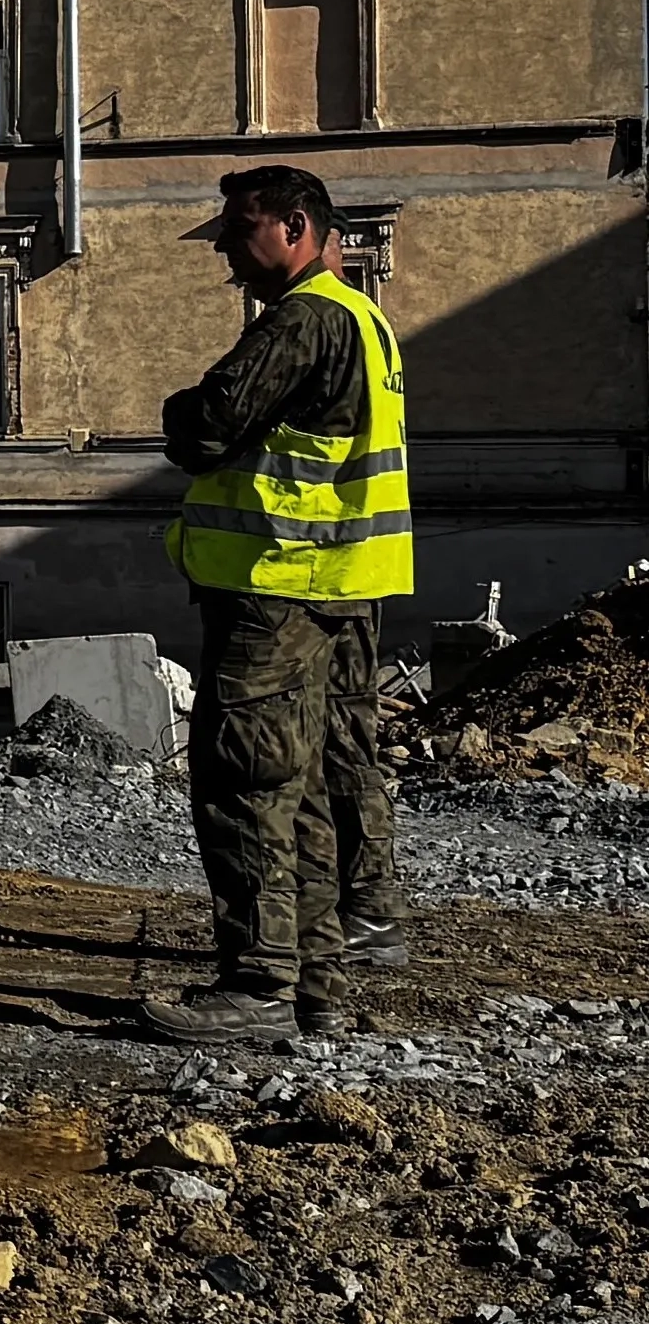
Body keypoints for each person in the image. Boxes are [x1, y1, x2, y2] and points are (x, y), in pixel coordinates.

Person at [154, 163, 412, 1042]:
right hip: (333, 584)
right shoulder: (363, 317)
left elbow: (208, 424)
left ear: (296, 228)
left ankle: (259, 983)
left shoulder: (300, 322)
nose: (226, 246)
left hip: (279, 585)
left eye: (240, 228)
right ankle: (315, 985)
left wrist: (178, 408)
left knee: (246, 780)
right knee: (300, 784)